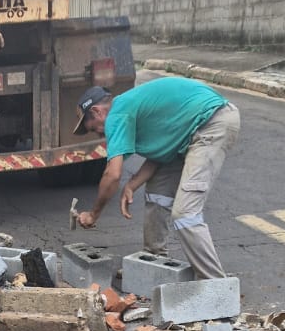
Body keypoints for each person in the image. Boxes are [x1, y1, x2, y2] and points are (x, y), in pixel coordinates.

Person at [73, 77, 240, 280]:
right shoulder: (128, 108)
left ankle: (216, 286)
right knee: (157, 194)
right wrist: (132, 185)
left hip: (211, 124)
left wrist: (93, 214)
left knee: (185, 213)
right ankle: (152, 263)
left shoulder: (117, 114)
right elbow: (161, 154)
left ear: (98, 111)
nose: (98, 133)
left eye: (93, 127)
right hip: (187, 133)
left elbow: (112, 174)